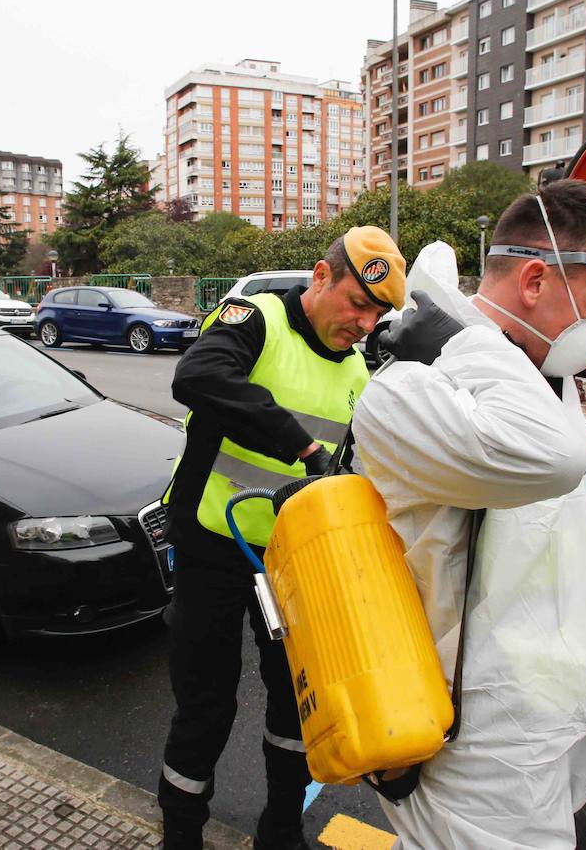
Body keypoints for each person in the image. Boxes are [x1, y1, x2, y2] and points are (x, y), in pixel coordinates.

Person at [355, 179, 586, 849]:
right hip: (474, 735)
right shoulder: (417, 388)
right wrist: (456, 337)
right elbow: (556, 458)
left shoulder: (533, 372)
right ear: (536, 281)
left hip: (535, 711)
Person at [157, 227, 406, 850]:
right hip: (213, 545)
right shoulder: (256, 317)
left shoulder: (356, 370)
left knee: (297, 705)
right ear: (321, 277)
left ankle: (282, 829)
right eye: (358, 304)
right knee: (205, 706)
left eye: (377, 314)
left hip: (293, 563)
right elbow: (198, 376)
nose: (366, 323)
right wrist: (301, 446)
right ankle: (181, 837)